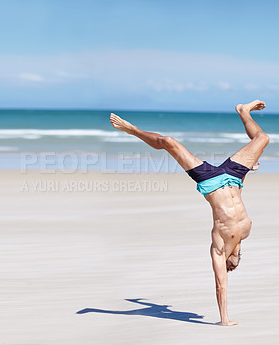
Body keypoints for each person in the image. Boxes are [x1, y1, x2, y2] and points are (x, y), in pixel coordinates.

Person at [109, 100, 270, 326]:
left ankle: (132, 130)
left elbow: (220, 285)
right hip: (233, 176)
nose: (231, 267)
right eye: (233, 266)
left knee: (168, 142)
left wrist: (224, 319)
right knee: (263, 139)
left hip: (211, 181)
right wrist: (247, 171)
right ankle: (243, 111)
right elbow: (238, 195)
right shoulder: (246, 231)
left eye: (229, 267)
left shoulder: (219, 247)